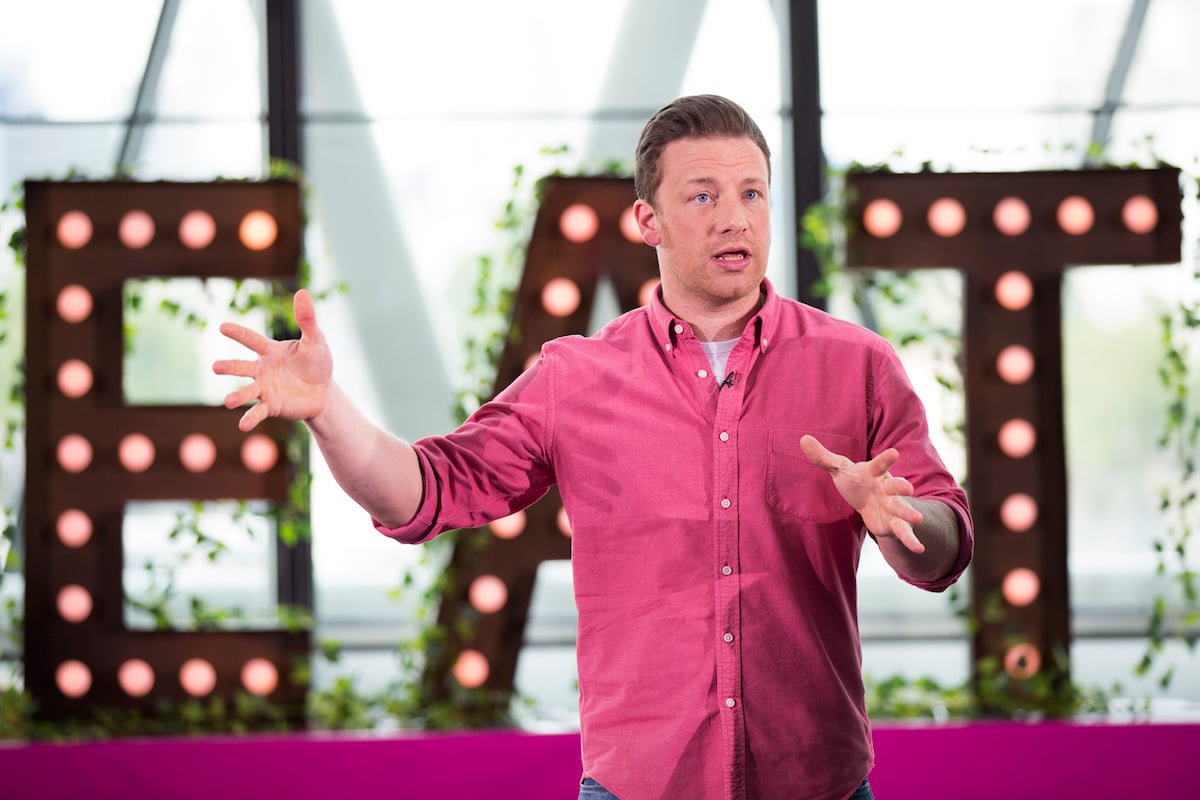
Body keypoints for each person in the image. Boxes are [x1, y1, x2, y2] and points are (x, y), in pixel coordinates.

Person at [213, 94, 973, 800]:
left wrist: (898, 521)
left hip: (820, 785)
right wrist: (327, 410)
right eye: (702, 195)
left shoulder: (858, 364)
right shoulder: (574, 377)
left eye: (751, 193)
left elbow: (942, 548)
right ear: (649, 221)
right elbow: (422, 493)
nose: (734, 218)